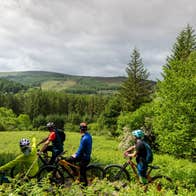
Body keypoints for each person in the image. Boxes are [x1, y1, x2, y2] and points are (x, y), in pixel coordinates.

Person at [67, 122, 92, 187]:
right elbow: (81, 149)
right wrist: (76, 153)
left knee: (69, 160)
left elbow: (81, 149)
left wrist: (76, 155)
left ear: (81, 129)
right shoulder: (88, 135)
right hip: (85, 155)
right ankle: (76, 173)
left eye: (80, 129)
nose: (79, 130)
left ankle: (85, 188)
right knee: (71, 160)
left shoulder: (84, 138)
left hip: (84, 158)